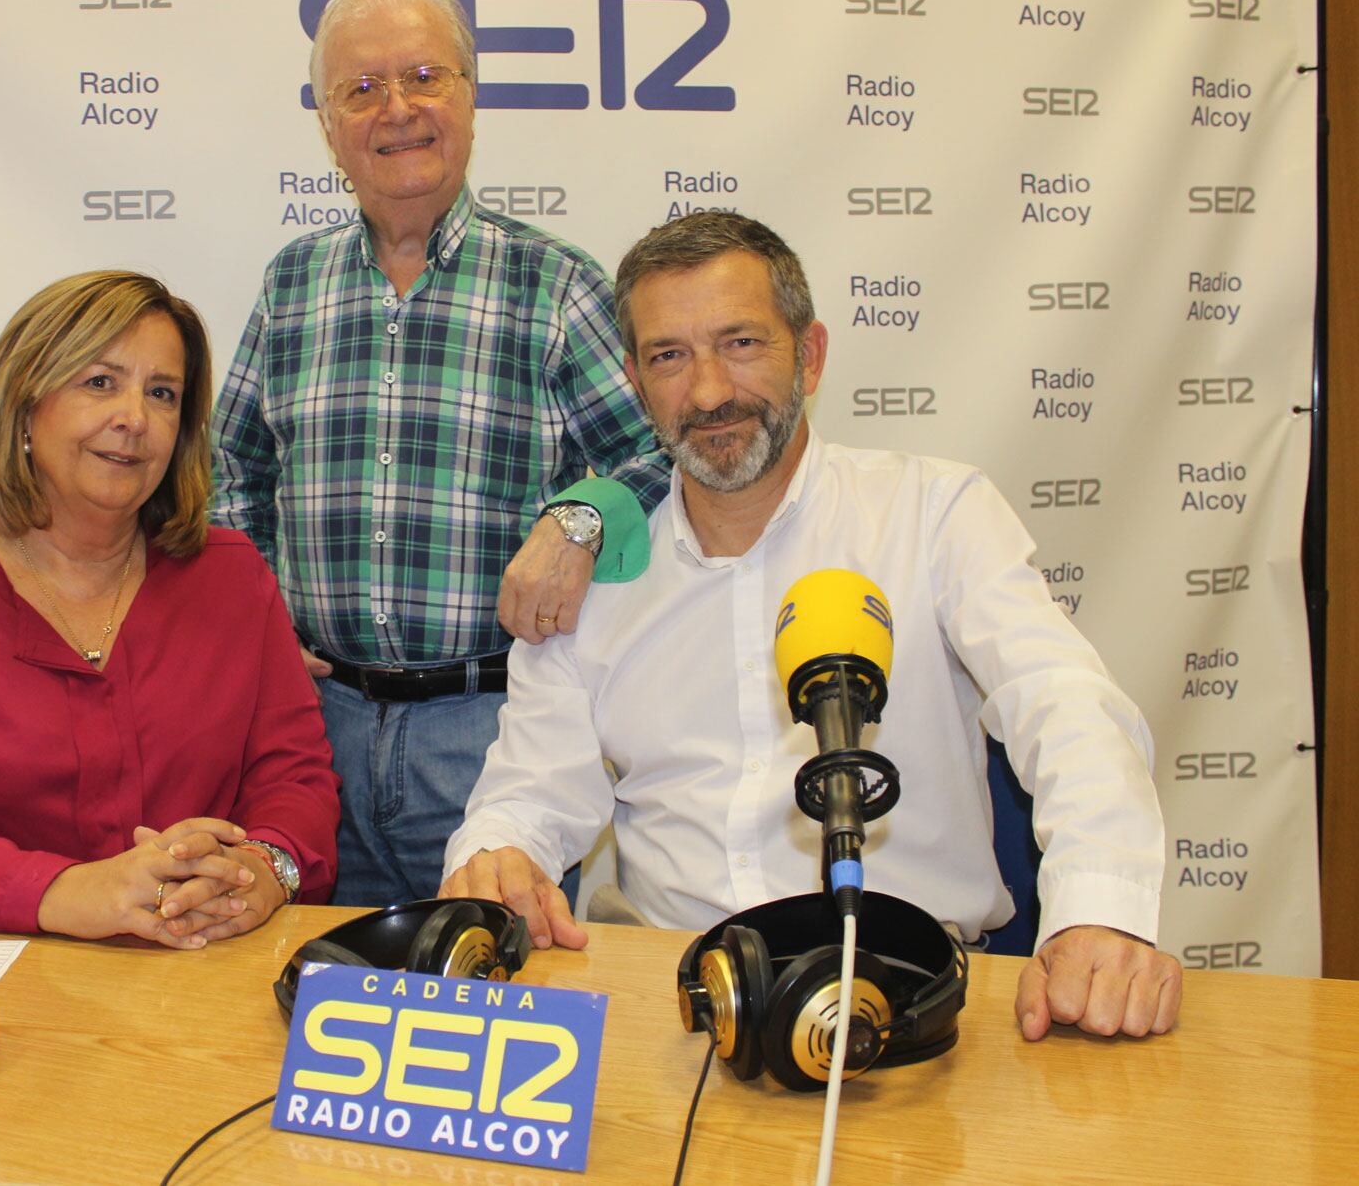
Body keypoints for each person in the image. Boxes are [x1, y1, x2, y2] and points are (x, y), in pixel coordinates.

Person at [441, 212, 1183, 1042]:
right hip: (675, 1014)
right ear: (636, 380)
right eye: (670, 356)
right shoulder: (593, 572)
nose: (711, 391)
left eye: (742, 343)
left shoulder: (933, 515)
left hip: (912, 1008)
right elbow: (529, 791)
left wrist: (1102, 912)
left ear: (812, 353)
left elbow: (1065, 702)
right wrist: (499, 852)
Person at [211, 0, 667, 905]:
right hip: (314, 734)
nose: (398, 109)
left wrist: (582, 518)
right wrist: (257, 615)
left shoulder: (554, 284)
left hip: (495, 730)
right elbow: (232, 474)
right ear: (329, 127)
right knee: (322, 1003)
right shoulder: (293, 284)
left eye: (424, 76)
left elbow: (664, 453)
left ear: (469, 97)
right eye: (362, 88)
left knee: (500, 1003)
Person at [0, 271, 339, 947]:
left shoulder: (233, 575)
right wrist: (64, 890)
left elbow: (296, 779)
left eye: (162, 393)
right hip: (6, 985)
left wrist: (261, 869)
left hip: (203, 972)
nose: (134, 417)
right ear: (23, 408)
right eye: (100, 382)